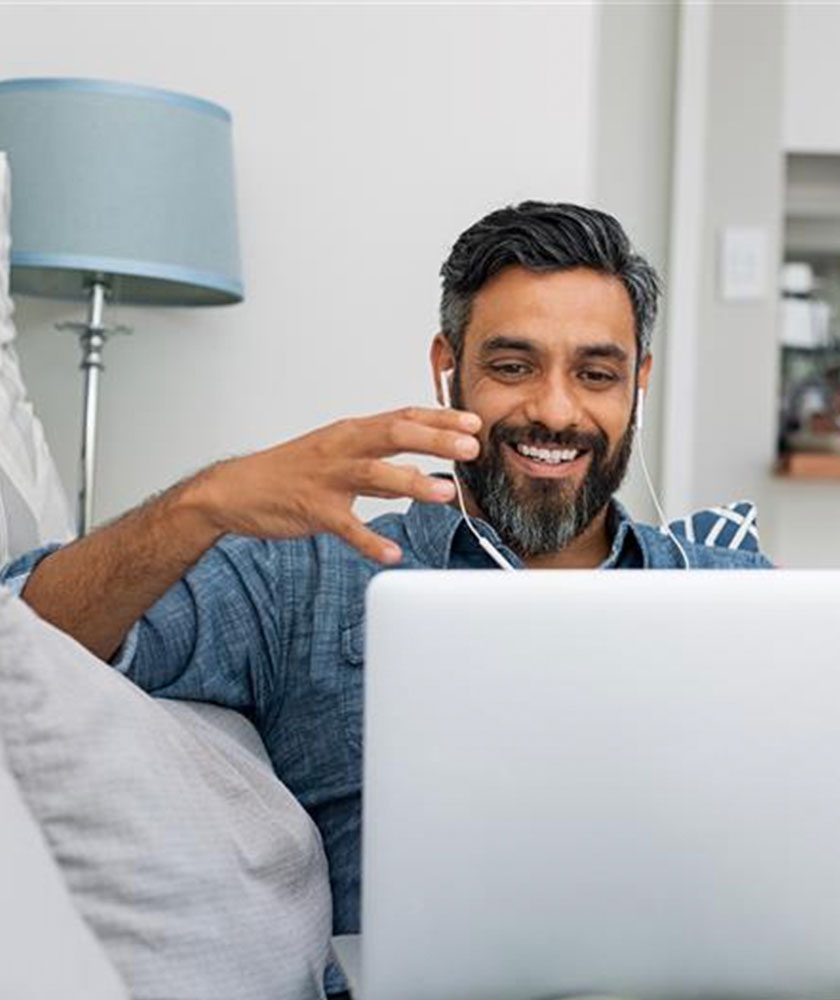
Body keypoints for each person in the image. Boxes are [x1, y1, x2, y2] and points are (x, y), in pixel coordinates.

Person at [2, 200, 771, 997]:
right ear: (449, 367)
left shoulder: (741, 597)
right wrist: (207, 501)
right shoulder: (309, 573)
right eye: (512, 366)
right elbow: (24, 641)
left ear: (638, 381)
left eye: (596, 374)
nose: (554, 409)